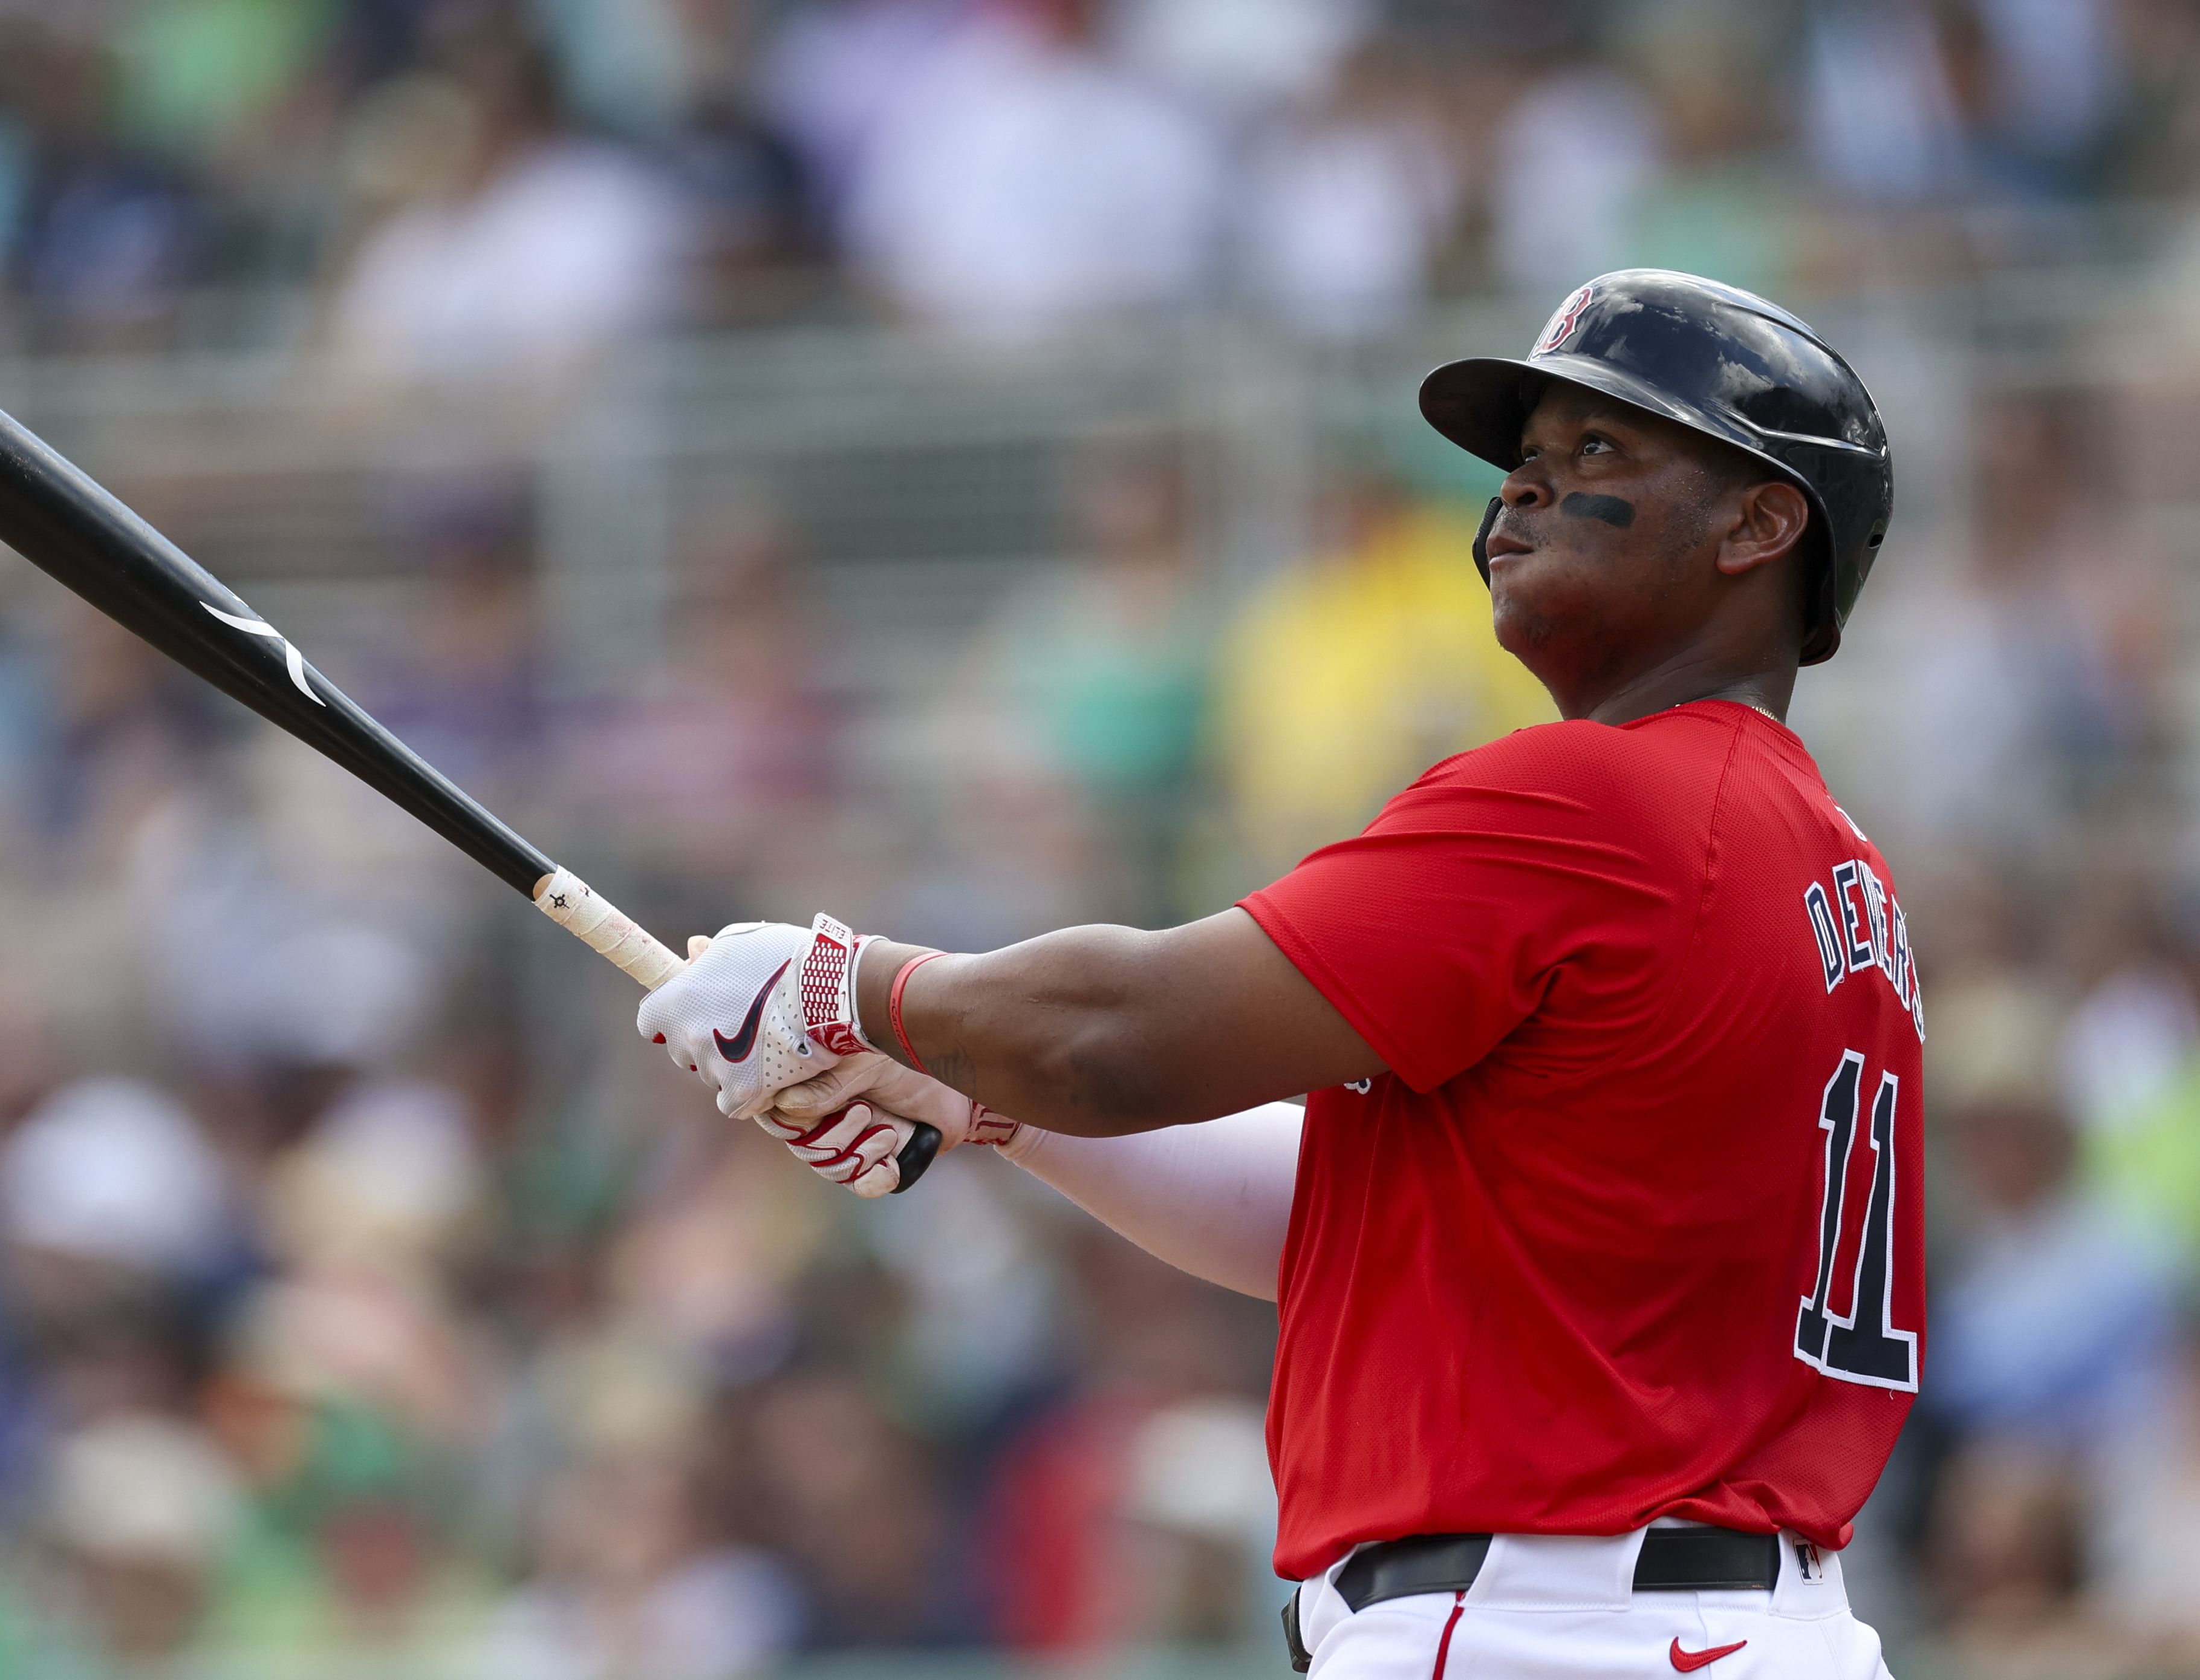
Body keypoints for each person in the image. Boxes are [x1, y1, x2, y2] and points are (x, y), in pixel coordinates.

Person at [634, 271, 1919, 1679]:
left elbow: (1116, 1037)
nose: (1518, 498)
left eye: (1597, 452)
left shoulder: (1602, 798)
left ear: (1761, 519)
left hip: (1546, 1624)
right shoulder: (1826, 863)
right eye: (1522, 465)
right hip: (1730, 1625)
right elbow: (1344, 1221)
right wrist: (956, 1088)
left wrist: (843, 984)